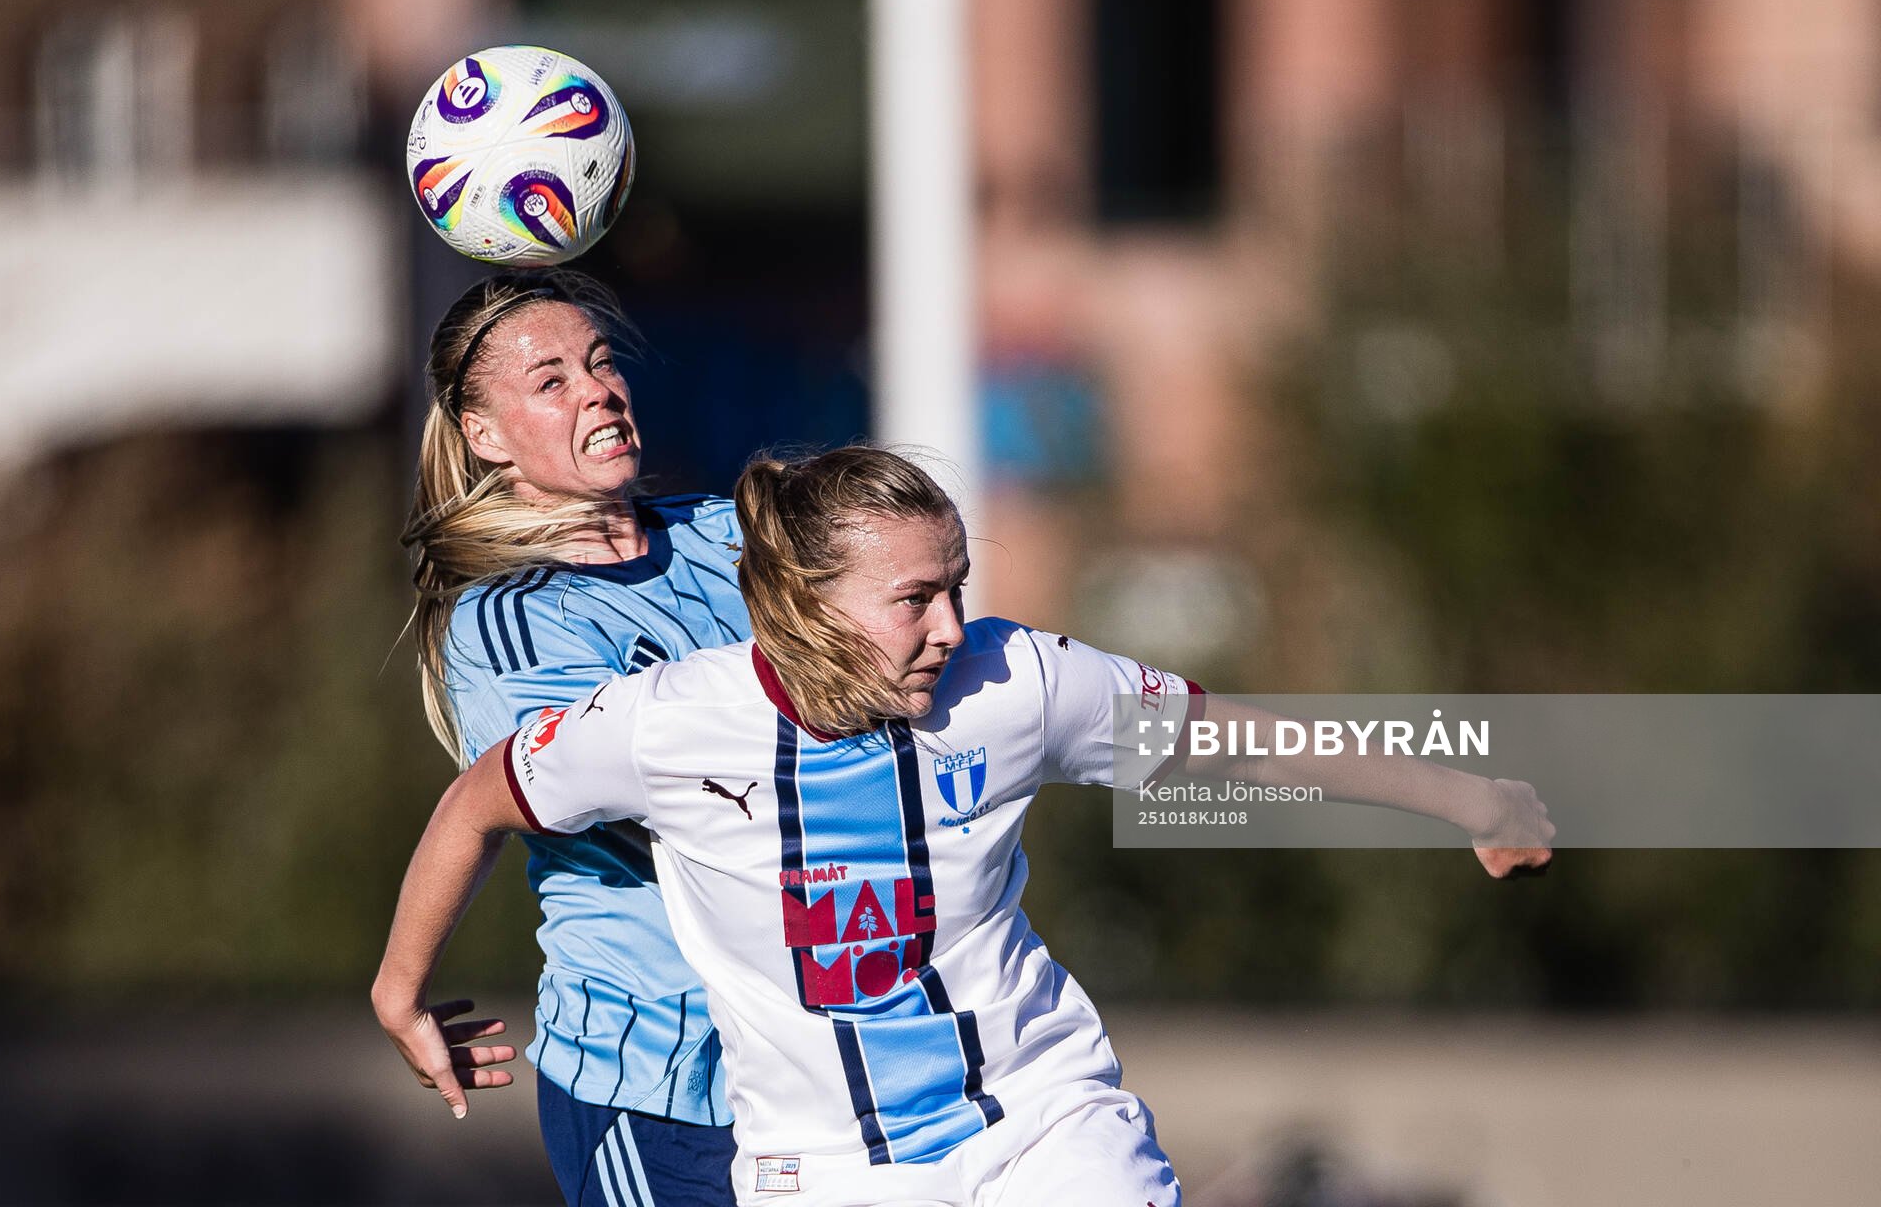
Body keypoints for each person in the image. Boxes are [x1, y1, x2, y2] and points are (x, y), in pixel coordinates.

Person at [377, 446, 1553, 1207]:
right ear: (803, 602)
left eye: (957, 584)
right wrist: (400, 984)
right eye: (913, 598)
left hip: (1042, 1118)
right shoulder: (663, 725)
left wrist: (1468, 797)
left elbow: (1236, 736)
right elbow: (477, 797)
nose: (951, 623)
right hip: (822, 1170)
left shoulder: (1021, 681)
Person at [399, 268, 745, 1207]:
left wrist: (1192, 786)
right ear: (485, 437)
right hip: (659, 1087)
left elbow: (1005, 684)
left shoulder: (736, 539)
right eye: (551, 380)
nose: (599, 388)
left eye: (600, 363)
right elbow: (687, 802)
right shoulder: (513, 624)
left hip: (823, 1061)